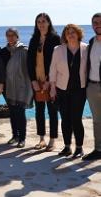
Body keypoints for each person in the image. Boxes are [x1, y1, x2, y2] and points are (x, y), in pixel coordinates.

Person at [49, 24, 88, 158]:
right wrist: (52, 89)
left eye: (73, 32)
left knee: (76, 119)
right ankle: (67, 147)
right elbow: (52, 70)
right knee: (65, 119)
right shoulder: (58, 49)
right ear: (64, 36)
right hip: (62, 89)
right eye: (67, 33)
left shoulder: (86, 48)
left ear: (78, 34)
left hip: (80, 90)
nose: (70, 35)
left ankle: (79, 148)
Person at [27, 13, 61, 151]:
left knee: (52, 111)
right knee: (39, 111)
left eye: (44, 21)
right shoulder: (34, 39)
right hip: (37, 81)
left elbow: (57, 61)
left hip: (51, 81)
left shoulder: (55, 38)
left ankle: (52, 140)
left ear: (49, 23)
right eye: (38, 21)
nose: (41, 24)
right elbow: (29, 62)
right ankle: (41, 139)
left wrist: (49, 80)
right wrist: (33, 80)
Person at [0, 28, 33, 148]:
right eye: (8, 35)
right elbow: (0, 70)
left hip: (22, 86)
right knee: (12, 112)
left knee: (20, 112)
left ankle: (22, 138)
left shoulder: (24, 50)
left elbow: (30, 68)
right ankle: (15, 135)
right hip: (8, 87)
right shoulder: (3, 52)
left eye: (13, 35)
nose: (10, 37)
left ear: (17, 36)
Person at [83, 13, 101, 161]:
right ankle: (98, 149)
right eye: (95, 22)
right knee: (97, 121)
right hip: (93, 87)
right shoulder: (91, 42)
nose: (98, 24)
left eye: (100, 22)